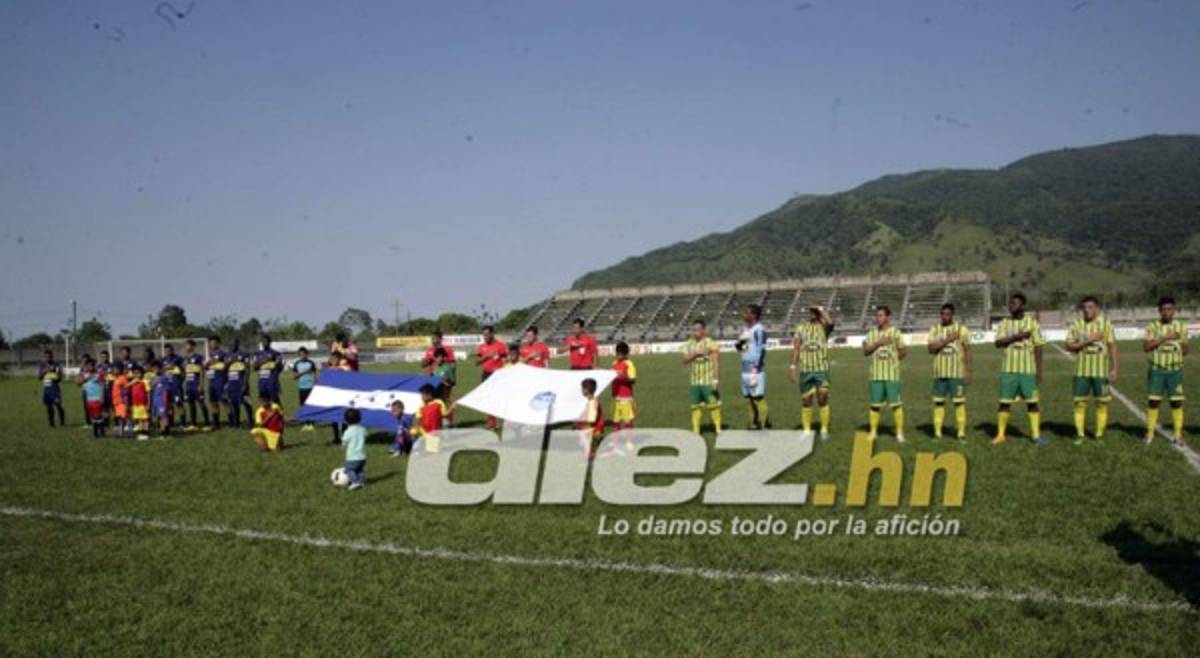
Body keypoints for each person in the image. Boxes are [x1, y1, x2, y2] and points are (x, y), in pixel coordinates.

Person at [992, 293, 1045, 445]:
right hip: (1008, 369)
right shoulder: (1004, 323)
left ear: (1022, 305)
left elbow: (1039, 347)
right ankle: (1001, 435)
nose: (1011, 306)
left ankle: (1035, 435)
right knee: (1004, 403)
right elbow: (998, 343)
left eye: (1014, 303)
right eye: (1010, 303)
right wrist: (1018, 336)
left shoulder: (1032, 323)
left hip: (1028, 370)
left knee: (1033, 403)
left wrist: (1039, 371)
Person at [1065, 296, 1118, 445]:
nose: (1087, 310)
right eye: (1084, 307)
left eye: (1090, 307)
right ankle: (1080, 435)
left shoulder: (1106, 324)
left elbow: (1112, 346)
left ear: (1097, 308)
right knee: (1079, 403)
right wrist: (1089, 340)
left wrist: (1114, 368)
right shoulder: (1076, 325)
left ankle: (1099, 434)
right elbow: (1068, 346)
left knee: (1102, 403)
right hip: (1081, 372)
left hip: (1101, 372)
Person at [1143, 296, 1188, 445]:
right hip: (1157, 370)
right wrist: (1166, 338)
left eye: (1169, 309)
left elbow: (1186, 350)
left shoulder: (1181, 327)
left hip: (1175, 371)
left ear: (1174, 310)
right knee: (1154, 401)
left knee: (1176, 403)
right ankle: (1149, 434)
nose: (1166, 312)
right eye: (1163, 310)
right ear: (1159, 311)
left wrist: (1181, 343)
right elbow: (1146, 347)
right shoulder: (1153, 327)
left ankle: (1177, 434)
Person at [789, 303, 835, 440]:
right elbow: (796, 348)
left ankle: (824, 429)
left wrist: (821, 309)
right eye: (811, 310)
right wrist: (792, 367)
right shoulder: (801, 328)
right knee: (806, 401)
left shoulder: (824, 327)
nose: (813, 313)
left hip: (821, 369)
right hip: (806, 370)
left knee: (823, 399)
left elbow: (831, 323)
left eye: (816, 311)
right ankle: (806, 430)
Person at [927, 303, 972, 440]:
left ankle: (961, 433)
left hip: (956, 373)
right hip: (939, 372)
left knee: (959, 402)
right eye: (942, 314)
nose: (944, 317)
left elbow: (968, 350)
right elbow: (931, 349)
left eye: (947, 314)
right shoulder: (935, 329)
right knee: (939, 402)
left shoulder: (962, 329)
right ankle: (937, 433)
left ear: (952, 314)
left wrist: (968, 370)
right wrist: (948, 339)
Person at [863, 305, 906, 442]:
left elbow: (903, 351)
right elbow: (866, 351)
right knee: (874, 405)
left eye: (881, 315)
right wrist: (878, 343)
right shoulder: (872, 333)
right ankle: (873, 432)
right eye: (877, 315)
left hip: (891, 375)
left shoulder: (896, 333)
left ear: (888, 317)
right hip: (876, 375)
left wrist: (893, 361)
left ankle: (899, 433)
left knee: (896, 405)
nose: (878, 318)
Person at [682, 319, 723, 434]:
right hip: (695, 381)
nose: (696, 332)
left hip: (708, 381)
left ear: (704, 330)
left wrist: (715, 379)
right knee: (695, 407)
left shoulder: (710, 343)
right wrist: (696, 353)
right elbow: (684, 360)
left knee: (713, 406)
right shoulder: (689, 344)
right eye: (694, 329)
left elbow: (716, 362)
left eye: (698, 329)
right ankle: (696, 430)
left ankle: (718, 429)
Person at [737, 304, 768, 430]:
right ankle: (754, 424)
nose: (744, 315)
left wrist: (756, 367)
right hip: (744, 369)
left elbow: (762, 349)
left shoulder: (759, 330)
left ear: (753, 315)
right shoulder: (746, 330)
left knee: (758, 398)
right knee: (750, 398)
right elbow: (741, 349)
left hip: (754, 369)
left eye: (746, 313)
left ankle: (764, 426)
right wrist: (740, 342)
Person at [475, 325, 507, 430]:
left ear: (492, 334)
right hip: (486, 374)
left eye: (487, 334)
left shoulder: (500, 346)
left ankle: (506, 420)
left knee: (501, 398)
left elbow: (506, 359)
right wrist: (487, 356)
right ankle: (491, 422)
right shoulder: (481, 347)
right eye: (484, 335)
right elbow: (477, 362)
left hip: (498, 375)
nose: (485, 337)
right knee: (488, 399)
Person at [610, 341, 637, 454]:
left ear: (626, 354)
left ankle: (629, 441)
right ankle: (615, 441)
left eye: (621, 354)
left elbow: (633, 379)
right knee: (616, 421)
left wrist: (623, 377)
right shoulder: (614, 363)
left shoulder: (629, 364)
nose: (619, 356)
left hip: (626, 397)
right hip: (617, 397)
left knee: (627, 421)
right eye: (618, 353)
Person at [181, 339, 210, 431]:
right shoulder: (185, 359)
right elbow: (185, 372)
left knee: (201, 403)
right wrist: (184, 383)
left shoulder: (198, 357)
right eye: (185, 345)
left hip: (196, 384)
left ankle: (207, 423)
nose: (186, 347)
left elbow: (202, 371)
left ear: (193, 347)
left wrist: (200, 384)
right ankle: (193, 424)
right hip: (188, 385)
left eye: (188, 345)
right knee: (191, 404)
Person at [415, 383, 451, 453]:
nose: (421, 397)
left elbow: (444, 414)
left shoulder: (439, 403)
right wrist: (417, 429)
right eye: (421, 395)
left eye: (423, 395)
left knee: (432, 451)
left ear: (430, 395)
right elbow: (418, 418)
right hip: (424, 431)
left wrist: (451, 408)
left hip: (435, 430)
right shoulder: (421, 406)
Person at [225, 342, 253, 428]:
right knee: (234, 403)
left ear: (237, 345)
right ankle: (236, 423)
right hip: (231, 383)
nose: (232, 345)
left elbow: (247, 369)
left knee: (246, 402)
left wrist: (245, 383)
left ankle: (250, 422)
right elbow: (225, 368)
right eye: (231, 344)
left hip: (241, 382)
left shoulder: (244, 355)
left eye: (234, 344)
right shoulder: (228, 355)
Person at [577, 378, 605, 460]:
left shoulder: (592, 403)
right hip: (595, 428)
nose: (581, 390)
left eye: (582, 388)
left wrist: (581, 426)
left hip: (596, 430)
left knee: (582, 434)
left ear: (586, 390)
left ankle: (590, 455)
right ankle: (591, 452)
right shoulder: (591, 401)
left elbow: (591, 421)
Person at [291, 346, 318, 431]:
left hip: (310, 387)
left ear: (307, 354)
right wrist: (304, 372)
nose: (302, 355)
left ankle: (311, 423)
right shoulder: (296, 364)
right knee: (303, 405)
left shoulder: (311, 363)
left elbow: (314, 375)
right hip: (301, 387)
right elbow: (294, 377)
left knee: (310, 405)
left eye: (304, 354)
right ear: (299, 355)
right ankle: (306, 423)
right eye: (300, 354)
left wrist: (314, 385)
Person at [205, 336, 228, 430]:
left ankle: (232, 423)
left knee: (224, 402)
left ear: (218, 344)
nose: (212, 344)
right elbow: (206, 366)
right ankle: (216, 423)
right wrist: (208, 364)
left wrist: (213, 361)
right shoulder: (210, 355)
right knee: (213, 403)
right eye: (211, 343)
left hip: (220, 382)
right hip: (212, 382)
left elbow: (226, 364)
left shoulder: (222, 354)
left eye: (214, 343)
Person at [341, 408, 367, 491]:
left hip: (352, 457)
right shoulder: (363, 429)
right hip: (362, 456)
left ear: (346, 420)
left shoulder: (347, 432)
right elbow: (365, 435)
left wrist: (342, 446)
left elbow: (344, 443)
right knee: (359, 470)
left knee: (349, 470)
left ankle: (355, 482)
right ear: (359, 418)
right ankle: (361, 481)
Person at [38, 349, 65, 428]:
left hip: (55, 389)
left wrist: (53, 373)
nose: (47, 358)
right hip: (47, 390)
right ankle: (51, 423)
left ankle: (62, 422)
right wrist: (45, 371)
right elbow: (39, 377)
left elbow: (60, 378)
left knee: (58, 405)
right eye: (45, 357)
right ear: (44, 357)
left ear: (52, 357)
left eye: (49, 357)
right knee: (49, 407)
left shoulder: (56, 365)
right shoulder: (42, 365)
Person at [80, 358, 106, 438]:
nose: (90, 367)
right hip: (89, 399)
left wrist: (102, 397)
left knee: (97, 416)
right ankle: (100, 431)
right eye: (88, 365)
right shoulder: (85, 374)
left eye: (92, 365)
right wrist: (85, 378)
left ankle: (97, 432)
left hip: (96, 398)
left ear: (94, 366)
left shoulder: (98, 374)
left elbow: (102, 386)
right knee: (93, 416)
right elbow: (78, 383)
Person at [254, 334, 283, 404]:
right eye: (263, 341)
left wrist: (275, 374)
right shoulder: (258, 354)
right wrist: (264, 361)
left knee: (274, 400)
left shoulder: (276, 353)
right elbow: (255, 367)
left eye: (266, 341)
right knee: (263, 400)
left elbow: (280, 366)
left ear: (270, 342)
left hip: (271, 381)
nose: (264, 343)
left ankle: (280, 414)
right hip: (262, 381)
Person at [150, 360, 174, 437]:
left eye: (157, 368)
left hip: (163, 401)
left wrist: (168, 402)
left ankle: (165, 432)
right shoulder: (153, 379)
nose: (155, 370)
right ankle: (163, 430)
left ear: (160, 369)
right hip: (155, 400)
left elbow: (167, 390)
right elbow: (151, 390)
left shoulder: (164, 378)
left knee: (164, 416)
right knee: (159, 416)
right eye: (154, 368)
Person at [129, 365, 151, 440]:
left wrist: (148, 403)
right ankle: (141, 433)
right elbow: (126, 387)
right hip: (136, 404)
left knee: (145, 419)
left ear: (142, 373)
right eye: (135, 373)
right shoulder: (133, 382)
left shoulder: (145, 381)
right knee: (139, 419)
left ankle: (146, 432)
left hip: (143, 404)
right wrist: (132, 382)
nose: (136, 375)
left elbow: (148, 393)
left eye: (138, 373)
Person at [162, 343, 185, 412]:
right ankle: (171, 421)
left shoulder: (178, 358)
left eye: (169, 350)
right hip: (167, 386)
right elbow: (160, 369)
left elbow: (183, 369)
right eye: (166, 350)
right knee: (169, 404)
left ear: (172, 350)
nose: (168, 352)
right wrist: (165, 368)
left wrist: (181, 380)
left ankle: (183, 422)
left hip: (176, 385)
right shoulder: (163, 359)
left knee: (178, 402)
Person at [111, 364, 130, 438]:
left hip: (122, 401)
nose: (114, 370)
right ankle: (120, 433)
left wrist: (125, 401)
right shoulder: (116, 378)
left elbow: (126, 389)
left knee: (124, 417)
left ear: (120, 370)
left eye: (116, 369)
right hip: (116, 402)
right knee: (119, 418)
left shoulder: (123, 378)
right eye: (114, 369)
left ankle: (129, 433)